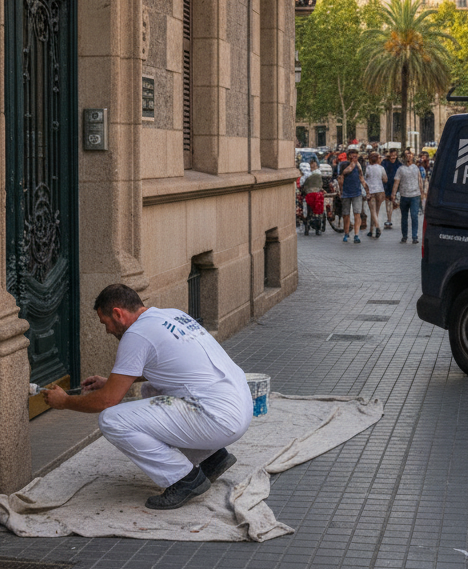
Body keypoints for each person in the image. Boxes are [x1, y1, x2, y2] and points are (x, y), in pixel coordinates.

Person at [42, 284, 252, 510]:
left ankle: (185, 479)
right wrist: (110, 381)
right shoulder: (172, 315)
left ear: (117, 313)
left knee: (111, 420)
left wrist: (64, 402)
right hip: (238, 405)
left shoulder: (135, 334)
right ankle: (212, 457)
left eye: (106, 323)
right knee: (151, 390)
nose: (107, 331)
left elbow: (106, 401)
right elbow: (166, 365)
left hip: (218, 418)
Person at [392, 150, 425, 244]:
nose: (409, 156)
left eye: (410, 154)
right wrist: (393, 195)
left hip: (415, 195)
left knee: (414, 216)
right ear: (404, 157)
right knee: (404, 217)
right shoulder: (400, 169)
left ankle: (415, 236)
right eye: (407, 154)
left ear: (413, 156)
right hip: (404, 196)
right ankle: (404, 236)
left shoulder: (416, 168)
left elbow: (420, 181)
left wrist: (422, 194)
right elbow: (396, 182)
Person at [338, 147, 365, 243]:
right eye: (353, 156)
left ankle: (356, 235)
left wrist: (367, 190)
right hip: (346, 192)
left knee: (357, 213)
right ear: (349, 156)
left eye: (356, 156)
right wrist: (340, 191)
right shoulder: (343, 164)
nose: (355, 157)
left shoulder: (359, 165)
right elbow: (342, 175)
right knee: (346, 214)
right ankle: (346, 233)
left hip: (357, 192)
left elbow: (361, 177)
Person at [363, 152, 386, 238]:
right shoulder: (381, 168)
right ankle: (371, 230)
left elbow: (364, 178)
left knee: (372, 211)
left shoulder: (368, 168)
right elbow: (385, 179)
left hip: (371, 191)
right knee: (376, 211)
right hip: (380, 191)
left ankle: (377, 227)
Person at [300, 159, 325, 234]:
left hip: (309, 194)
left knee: (308, 210)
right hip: (318, 194)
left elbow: (302, 185)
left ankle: (307, 226)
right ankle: (318, 227)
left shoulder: (306, 176)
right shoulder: (319, 174)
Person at [381, 148, 402, 229]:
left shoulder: (399, 164)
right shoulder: (385, 163)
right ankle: (389, 219)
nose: (393, 157)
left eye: (395, 155)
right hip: (387, 185)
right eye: (392, 155)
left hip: (396, 186)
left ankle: (396, 215)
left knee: (396, 203)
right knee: (388, 202)